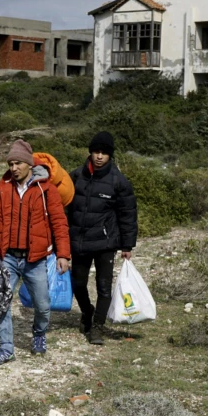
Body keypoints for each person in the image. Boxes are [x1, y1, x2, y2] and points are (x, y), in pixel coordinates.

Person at [0, 139, 71, 364]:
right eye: (10, 163)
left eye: (18, 163)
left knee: (42, 305)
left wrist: (63, 254)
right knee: (2, 300)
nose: (13, 168)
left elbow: (59, 223)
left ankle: (39, 334)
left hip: (36, 259)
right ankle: (6, 347)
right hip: (8, 257)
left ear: (29, 163)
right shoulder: (3, 188)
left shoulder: (46, 189)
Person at [67, 131, 137, 345]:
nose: (99, 156)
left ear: (110, 156)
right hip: (79, 240)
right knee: (78, 284)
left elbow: (128, 214)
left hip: (106, 243)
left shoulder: (118, 181)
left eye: (104, 153)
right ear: (90, 152)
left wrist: (127, 244)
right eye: (96, 151)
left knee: (104, 287)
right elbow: (63, 208)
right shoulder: (76, 176)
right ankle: (87, 312)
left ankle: (97, 327)